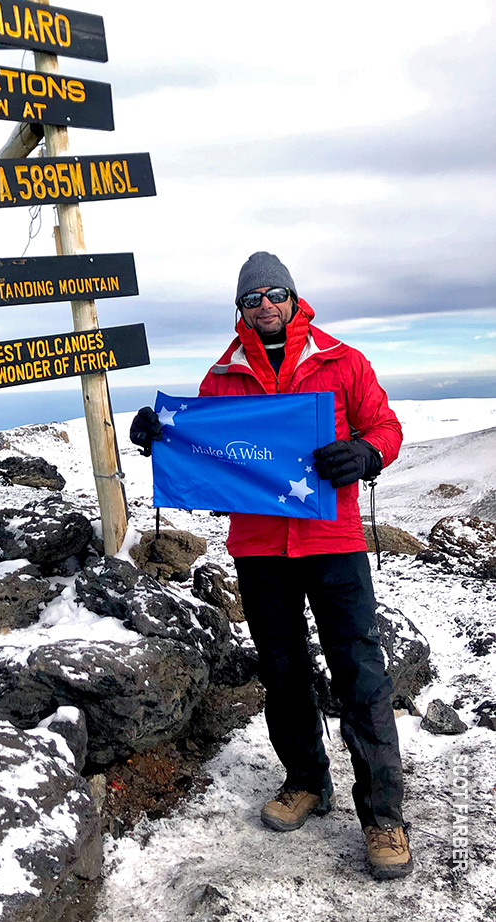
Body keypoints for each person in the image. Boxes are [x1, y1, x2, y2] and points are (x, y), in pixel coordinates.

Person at [130, 252, 412, 880]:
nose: (264, 304)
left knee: (360, 674)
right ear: (240, 310)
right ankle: (306, 781)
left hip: (333, 543)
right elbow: (206, 450)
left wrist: (365, 453)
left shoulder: (342, 361)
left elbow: (385, 426)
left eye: (274, 293)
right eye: (251, 297)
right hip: (259, 550)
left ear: (293, 297)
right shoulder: (222, 377)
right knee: (282, 672)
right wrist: (161, 435)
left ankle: (384, 817)